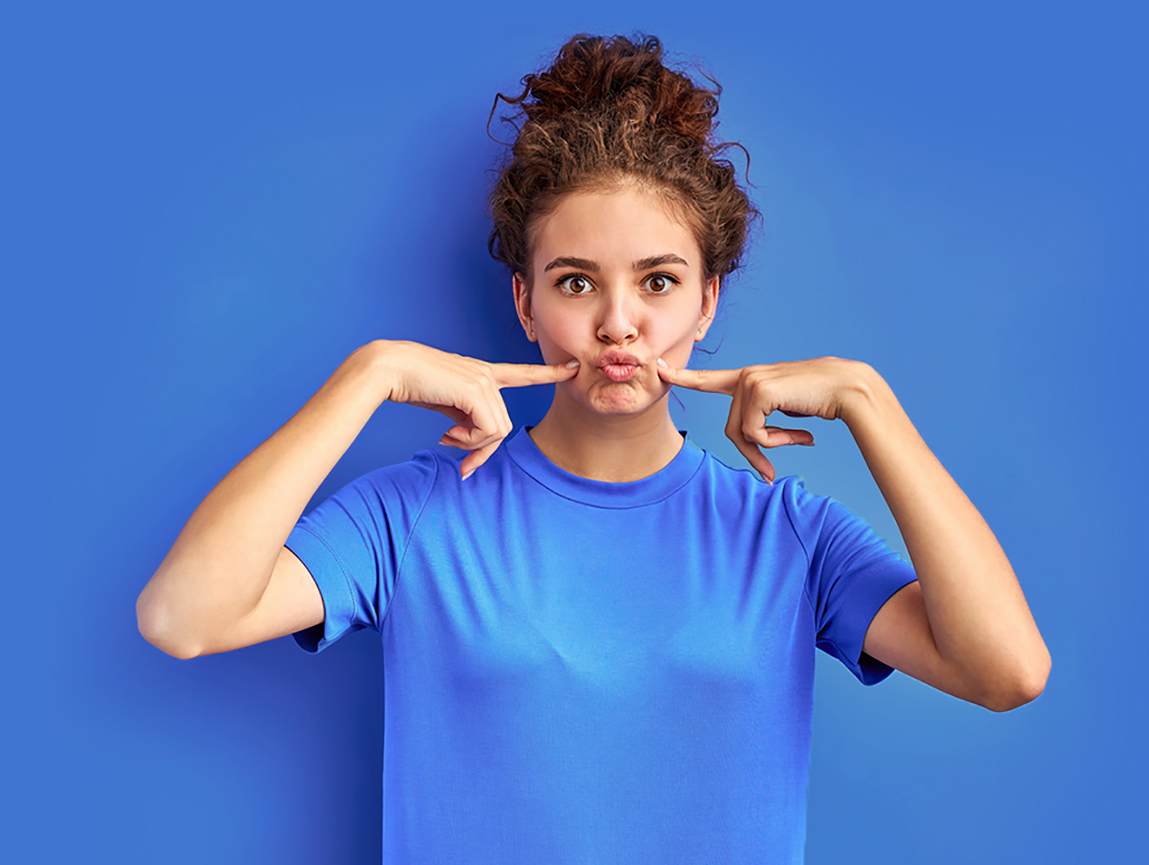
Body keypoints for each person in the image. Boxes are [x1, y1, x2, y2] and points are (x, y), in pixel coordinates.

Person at [137, 32, 1051, 864]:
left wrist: (868, 401)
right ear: (525, 302)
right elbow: (183, 618)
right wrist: (367, 376)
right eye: (576, 281)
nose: (619, 324)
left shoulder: (789, 534)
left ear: (707, 302)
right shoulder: (411, 513)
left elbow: (1005, 670)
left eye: (658, 280)